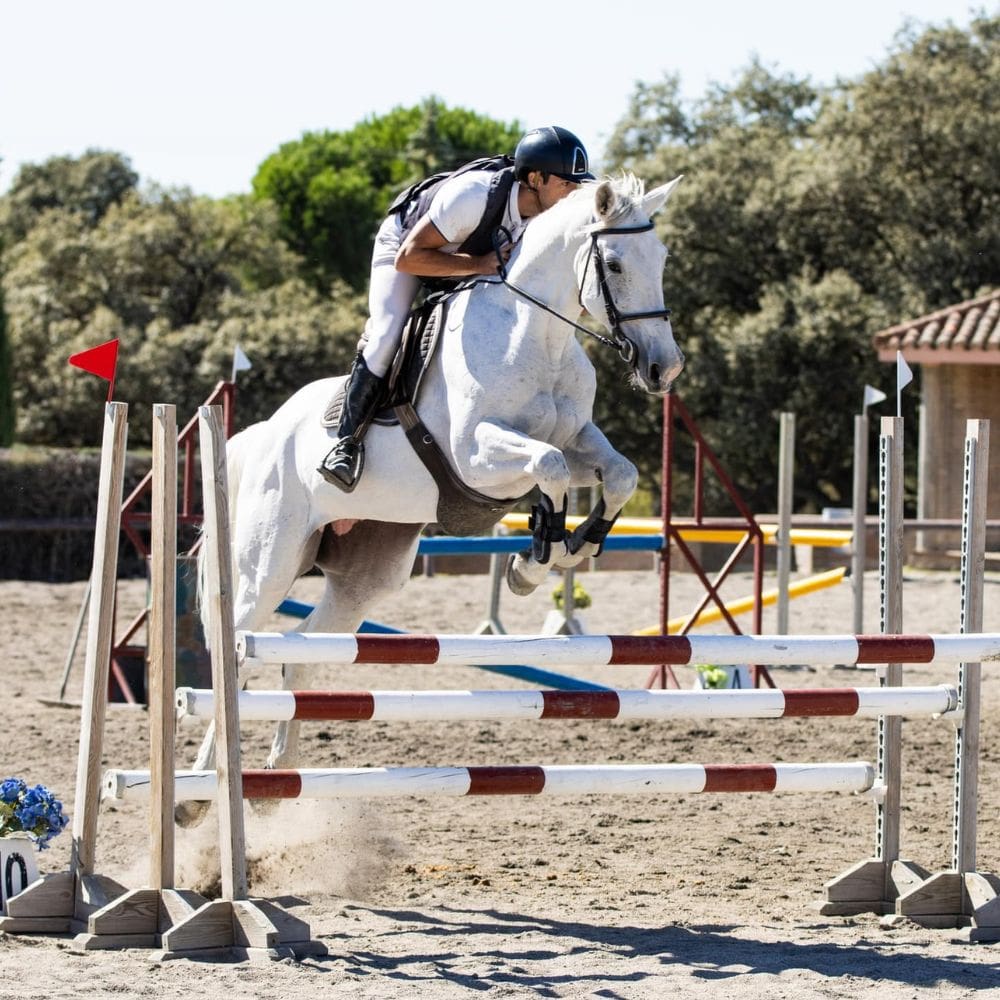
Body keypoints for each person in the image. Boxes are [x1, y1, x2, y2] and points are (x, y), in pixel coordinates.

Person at [318, 125, 594, 491]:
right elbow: (410, 258)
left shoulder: (545, 220)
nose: (574, 194)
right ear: (535, 178)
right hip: (407, 245)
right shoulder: (473, 195)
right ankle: (346, 443)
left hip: (469, 254)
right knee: (387, 331)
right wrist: (478, 265)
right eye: (566, 184)